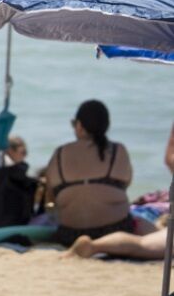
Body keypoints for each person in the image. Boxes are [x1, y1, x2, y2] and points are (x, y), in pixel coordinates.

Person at [44, 99, 134, 246]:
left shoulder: (60, 154)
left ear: (79, 126)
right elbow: (125, 185)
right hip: (116, 230)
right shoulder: (118, 151)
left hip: (70, 234)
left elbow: (52, 194)